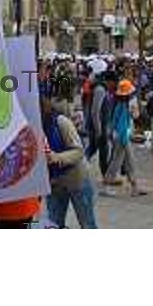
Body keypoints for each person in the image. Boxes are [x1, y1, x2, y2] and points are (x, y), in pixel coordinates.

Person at [42, 97, 98, 228]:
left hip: (77, 180)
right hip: (54, 184)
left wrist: (56, 157)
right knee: (54, 224)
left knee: (87, 223)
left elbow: (78, 151)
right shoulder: (31, 129)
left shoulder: (61, 122)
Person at [103, 79, 147, 196]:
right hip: (122, 137)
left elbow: (114, 122)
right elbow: (124, 124)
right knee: (117, 162)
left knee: (128, 162)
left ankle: (134, 186)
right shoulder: (125, 106)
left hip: (121, 136)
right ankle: (108, 185)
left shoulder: (120, 105)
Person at [86, 72, 111, 176]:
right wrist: (98, 129)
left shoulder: (97, 88)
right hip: (98, 125)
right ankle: (105, 173)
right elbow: (95, 111)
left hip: (96, 124)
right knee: (102, 149)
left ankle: (79, 164)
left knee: (93, 147)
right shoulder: (100, 90)